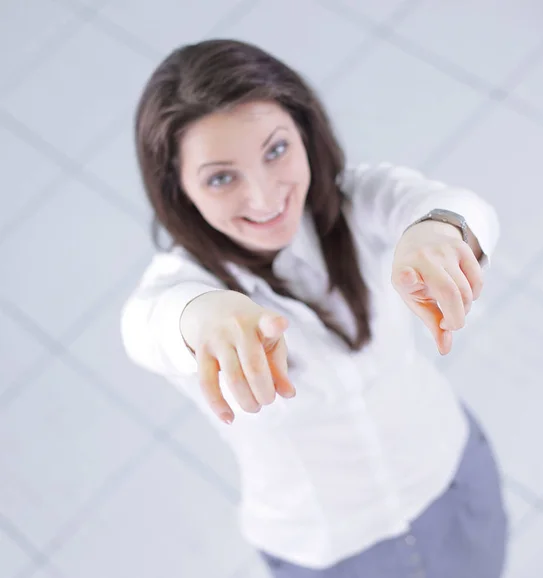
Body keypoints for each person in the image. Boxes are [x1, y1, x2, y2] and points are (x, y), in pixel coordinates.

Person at [121, 39, 507, 578]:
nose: (263, 196)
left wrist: (439, 232)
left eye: (275, 150)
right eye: (221, 177)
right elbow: (147, 326)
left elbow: (457, 206)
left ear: (304, 134)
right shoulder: (179, 284)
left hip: (448, 473)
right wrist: (207, 318)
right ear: (179, 189)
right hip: (329, 547)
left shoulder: (355, 201)